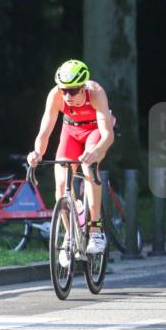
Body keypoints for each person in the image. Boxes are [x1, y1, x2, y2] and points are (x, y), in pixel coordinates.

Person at [26, 59, 115, 256]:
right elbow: (45, 132)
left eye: (73, 91)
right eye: (63, 90)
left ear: (83, 87)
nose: (67, 95)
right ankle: (69, 236)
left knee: (88, 167)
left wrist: (96, 151)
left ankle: (95, 230)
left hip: (94, 131)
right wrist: (37, 153)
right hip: (71, 132)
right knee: (60, 184)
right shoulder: (56, 96)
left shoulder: (96, 93)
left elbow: (108, 135)